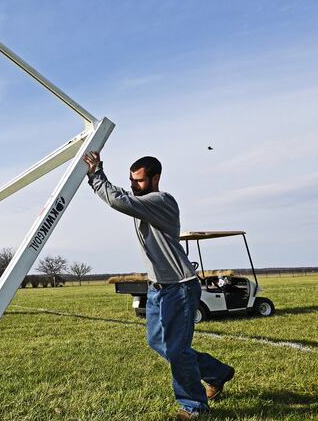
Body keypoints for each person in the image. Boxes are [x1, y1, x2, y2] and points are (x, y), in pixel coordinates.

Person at [82, 151, 234, 419]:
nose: (133, 185)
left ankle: (194, 406)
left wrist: (95, 174)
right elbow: (121, 195)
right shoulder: (142, 200)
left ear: (156, 178)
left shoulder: (161, 201)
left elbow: (119, 200)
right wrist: (100, 177)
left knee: (177, 350)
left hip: (180, 287)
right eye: (131, 180)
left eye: (139, 181)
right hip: (157, 288)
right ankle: (217, 372)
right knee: (158, 343)